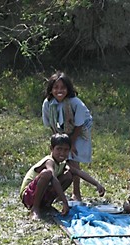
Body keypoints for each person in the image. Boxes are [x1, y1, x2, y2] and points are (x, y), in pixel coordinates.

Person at [20, 133, 105, 220]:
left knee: (68, 175)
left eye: (65, 150)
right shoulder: (49, 161)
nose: (62, 153)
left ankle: (46, 205)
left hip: (41, 195)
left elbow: (78, 172)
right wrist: (65, 202)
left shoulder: (62, 163)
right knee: (47, 173)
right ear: (51, 149)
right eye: (59, 149)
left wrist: (97, 184)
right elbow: (53, 179)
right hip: (28, 195)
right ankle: (35, 208)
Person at [41, 71, 93, 201]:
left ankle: (76, 193)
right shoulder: (48, 104)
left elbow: (79, 124)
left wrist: (71, 144)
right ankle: (59, 191)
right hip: (61, 131)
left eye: (63, 88)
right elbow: (51, 124)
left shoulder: (75, 103)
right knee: (60, 159)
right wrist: (58, 142)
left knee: (73, 159)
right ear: (51, 89)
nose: (59, 91)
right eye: (56, 87)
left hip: (79, 132)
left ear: (68, 89)